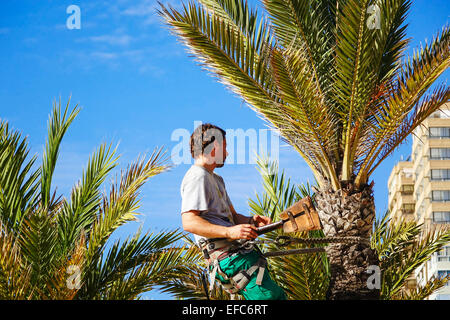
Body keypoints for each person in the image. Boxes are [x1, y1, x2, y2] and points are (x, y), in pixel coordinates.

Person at [180, 123, 287, 300]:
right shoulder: (197, 176)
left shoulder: (216, 179)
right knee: (269, 297)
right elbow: (189, 221)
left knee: (275, 296)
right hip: (228, 256)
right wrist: (229, 232)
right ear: (214, 147)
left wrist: (251, 221)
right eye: (225, 147)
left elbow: (232, 217)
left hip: (238, 254)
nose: (227, 153)